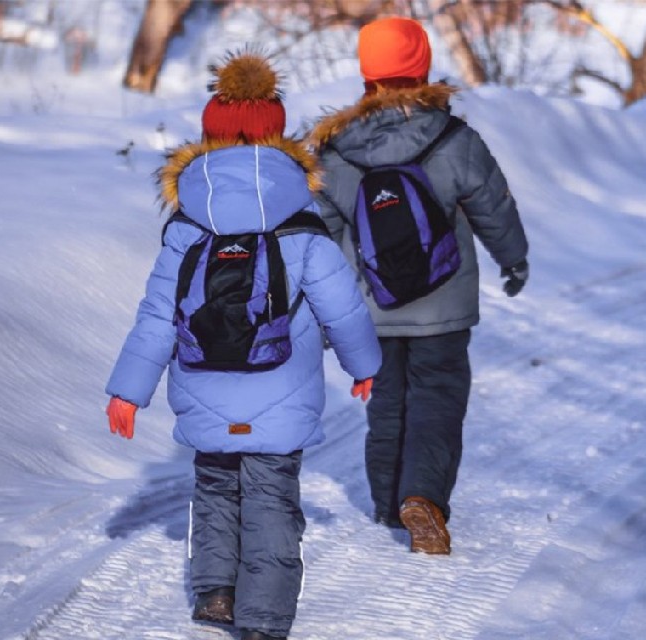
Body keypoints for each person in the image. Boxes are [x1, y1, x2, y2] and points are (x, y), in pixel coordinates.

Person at [104, 51, 381, 640]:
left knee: (214, 486)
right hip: (281, 388)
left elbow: (157, 315)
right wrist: (365, 365)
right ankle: (265, 619)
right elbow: (343, 308)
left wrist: (128, 391)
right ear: (280, 139)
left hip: (204, 385)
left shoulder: (186, 225)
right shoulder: (302, 221)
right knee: (273, 499)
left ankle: (216, 594)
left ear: (207, 139)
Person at [309, 17, 530, 555]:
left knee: (387, 402)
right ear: (422, 68)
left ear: (367, 76)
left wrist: (329, 309)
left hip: (371, 306)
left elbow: (324, 237)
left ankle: (389, 503)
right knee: (437, 398)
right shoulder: (453, 138)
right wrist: (514, 259)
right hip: (444, 303)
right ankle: (423, 498)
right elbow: (492, 206)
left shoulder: (334, 152)